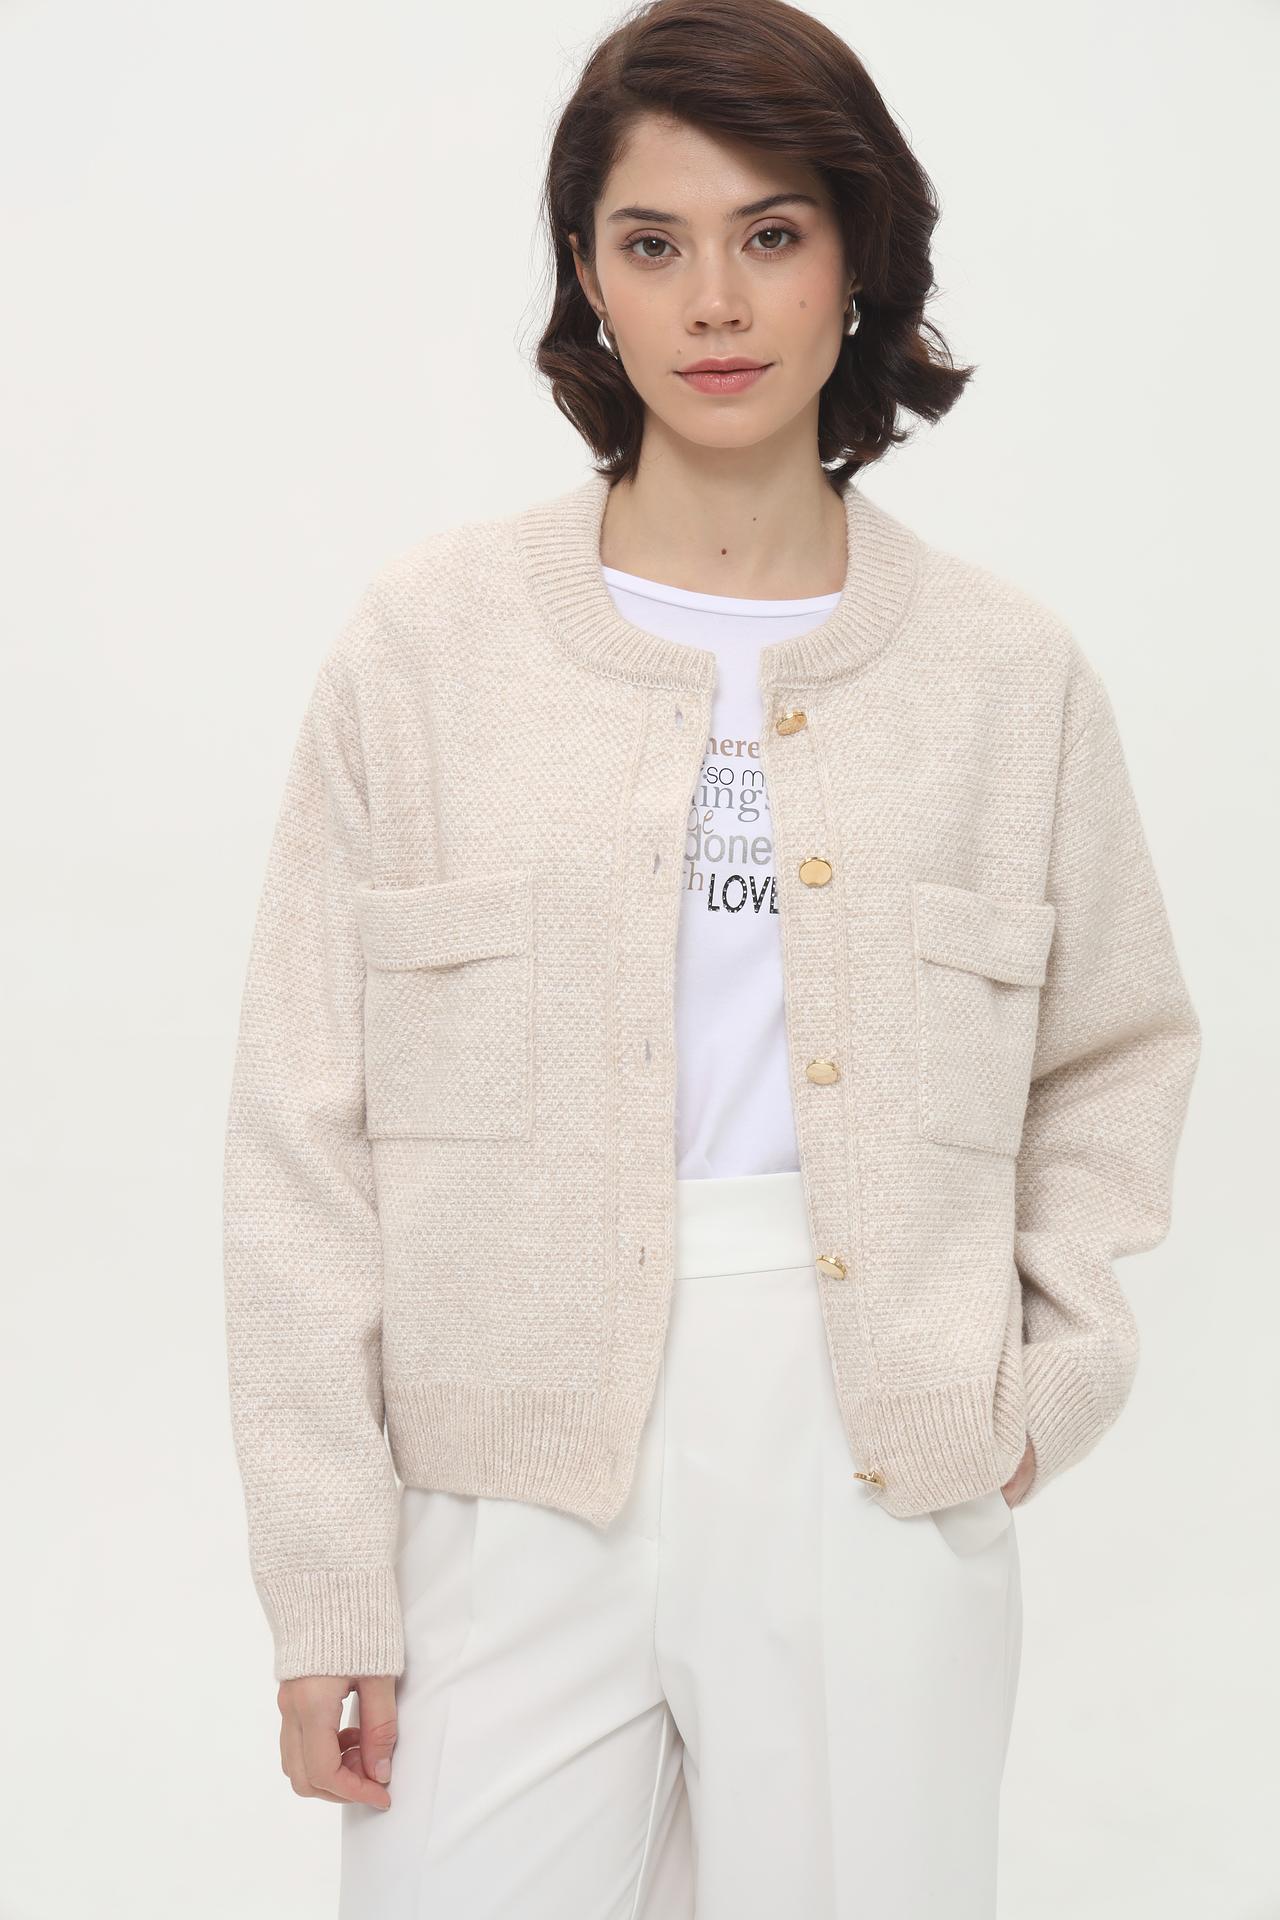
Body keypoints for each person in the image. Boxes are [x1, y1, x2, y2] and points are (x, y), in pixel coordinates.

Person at [221, 1, 1202, 1913]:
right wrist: (328, 1576)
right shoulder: (427, 650)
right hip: (498, 1472)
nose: (715, 302)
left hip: (872, 1453)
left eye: (772, 233)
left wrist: (1040, 1380)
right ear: (588, 278)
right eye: (652, 243)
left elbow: (1117, 1050)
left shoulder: (1006, 678)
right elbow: (298, 1134)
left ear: (858, 259)